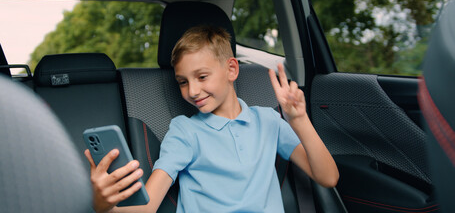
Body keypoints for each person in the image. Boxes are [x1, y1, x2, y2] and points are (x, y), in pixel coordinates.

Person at [85, 25, 339, 213]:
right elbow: (147, 207)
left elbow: (328, 178)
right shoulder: (184, 132)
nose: (192, 91)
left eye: (202, 77)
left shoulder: (269, 121)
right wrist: (103, 205)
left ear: (231, 69)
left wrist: (300, 120)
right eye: (182, 82)